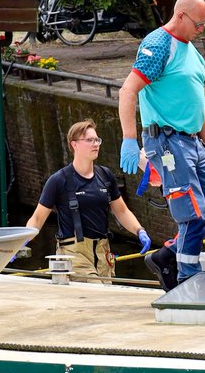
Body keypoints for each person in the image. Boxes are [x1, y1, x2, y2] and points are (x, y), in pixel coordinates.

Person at [118, 0, 205, 290]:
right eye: (198, 23)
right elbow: (128, 91)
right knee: (193, 214)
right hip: (168, 143)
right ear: (180, 16)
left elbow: (196, 102)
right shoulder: (158, 45)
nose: (202, 30)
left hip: (193, 142)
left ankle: (167, 255)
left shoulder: (194, 53)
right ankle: (187, 279)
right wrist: (129, 139)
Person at [26, 119, 151, 282]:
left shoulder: (105, 176)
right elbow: (38, 218)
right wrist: (21, 242)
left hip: (102, 253)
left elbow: (121, 211)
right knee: (94, 293)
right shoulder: (59, 180)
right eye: (89, 140)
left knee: (106, 298)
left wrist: (139, 230)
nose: (95, 144)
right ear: (74, 144)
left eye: (97, 140)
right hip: (74, 254)